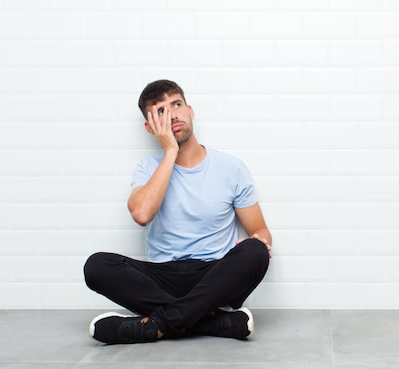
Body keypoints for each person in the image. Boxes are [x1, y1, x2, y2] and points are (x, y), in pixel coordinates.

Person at [84, 80, 272, 345]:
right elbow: (141, 214)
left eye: (176, 105)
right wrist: (170, 150)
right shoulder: (147, 168)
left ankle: (155, 325)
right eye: (160, 111)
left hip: (214, 276)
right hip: (163, 278)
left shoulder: (231, 167)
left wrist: (259, 241)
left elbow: (260, 231)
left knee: (255, 252)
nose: (171, 114)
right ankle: (212, 321)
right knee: (97, 266)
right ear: (150, 128)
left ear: (190, 110)